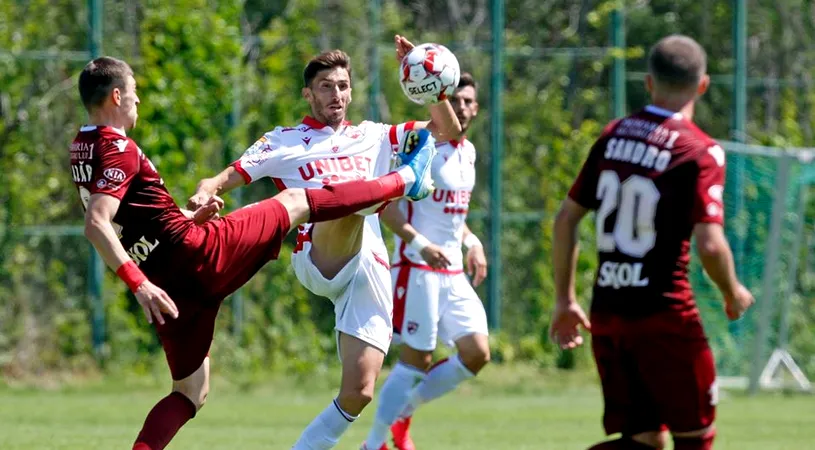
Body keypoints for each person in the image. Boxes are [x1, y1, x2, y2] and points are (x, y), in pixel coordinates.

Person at [70, 56, 439, 450]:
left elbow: (136, 219)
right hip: (193, 257)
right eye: (135, 93)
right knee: (295, 200)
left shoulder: (83, 145)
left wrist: (189, 216)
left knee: (191, 391)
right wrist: (138, 284)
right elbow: (98, 222)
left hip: (169, 277)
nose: (138, 101)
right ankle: (404, 178)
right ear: (116, 96)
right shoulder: (119, 147)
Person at [188, 36, 462, 449]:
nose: (337, 94)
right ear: (308, 93)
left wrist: (429, 85)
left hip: (366, 265)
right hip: (318, 256)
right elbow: (225, 176)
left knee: (359, 391)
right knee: (350, 196)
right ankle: (405, 180)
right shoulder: (284, 140)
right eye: (326, 86)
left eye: (343, 86)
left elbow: (447, 129)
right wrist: (202, 194)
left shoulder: (373, 135)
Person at [548, 35, 755, 450]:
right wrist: (732, 292)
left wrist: (564, 299)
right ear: (702, 85)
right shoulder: (700, 151)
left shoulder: (613, 135)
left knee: (645, 441)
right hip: (664, 315)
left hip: (608, 311)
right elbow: (711, 245)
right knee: (694, 439)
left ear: (648, 82)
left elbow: (566, 219)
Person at [362, 72, 489, 450]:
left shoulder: (468, 152)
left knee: (477, 353)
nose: (462, 107)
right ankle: (373, 444)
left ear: (476, 108)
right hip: (418, 267)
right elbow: (387, 209)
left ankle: (402, 412)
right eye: (456, 100)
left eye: (468, 101)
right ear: (443, 104)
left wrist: (472, 241)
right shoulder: (422, 146)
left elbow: (454, 215)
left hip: (452, 270)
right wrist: (419, 246)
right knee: (417, 359)